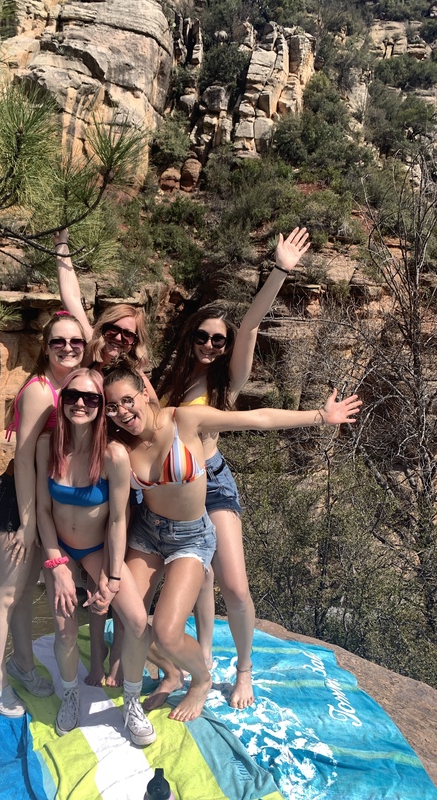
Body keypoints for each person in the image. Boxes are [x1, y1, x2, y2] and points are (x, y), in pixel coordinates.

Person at [103, 359, 361, 722]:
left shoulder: (184, 420)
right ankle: (170, 673)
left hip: (190, 538)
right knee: (129, 618)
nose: (122, 413)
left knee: (166, 630)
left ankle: (201, 680)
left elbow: (256, 419)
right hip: (147, 533)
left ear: (145, 391)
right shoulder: (120, 446)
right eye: (112, 407)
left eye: (127, 400)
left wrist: (320, 415)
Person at [155, 227, 310, 709]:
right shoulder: (167, 378)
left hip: (214, 482)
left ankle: (243, 669)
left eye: (217, 341)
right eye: (202, 336)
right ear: (190, 336)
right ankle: (194, 661)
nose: (210, 345)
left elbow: (250, 326)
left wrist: (279, 270)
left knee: (235, 588)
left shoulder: (228, 382)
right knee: (191, 581)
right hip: (170, 488)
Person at [53, 228, 157, 687]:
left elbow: (152, 424)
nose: (118, 337)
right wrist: (61, 246)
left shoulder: (135, 377)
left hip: (118, 486)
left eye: (128, 335)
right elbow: (70, 293)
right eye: (113, 328)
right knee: (96, 587)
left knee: (113, 583)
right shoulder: (88, 363)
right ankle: (96, 664)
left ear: (136, 342)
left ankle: (116, 663)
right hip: (77, 481)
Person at [35, 368, 155, 745]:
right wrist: (56, 567)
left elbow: (119, 518)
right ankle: (70, 694)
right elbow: (42, 510)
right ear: (63, 401)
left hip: (97, 549)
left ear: (103, 406)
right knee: (65, 630)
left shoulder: (113, 455)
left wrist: (113, 575)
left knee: (137, 622)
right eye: (73, 396)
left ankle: (131, 701)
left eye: (91, 398)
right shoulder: (48, 446)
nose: (81, 404)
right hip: (60, 551)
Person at [0, 311, 87, 716]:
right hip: (17, 501)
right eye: (58, 342)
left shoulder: (70, 386)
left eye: (75, 342)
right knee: (7, 593)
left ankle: (22, 664)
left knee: (25, 593)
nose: (68, 348)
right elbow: (23, 461)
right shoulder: (41, 392)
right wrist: (27, 524)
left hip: (44, 501)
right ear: (46, 347)